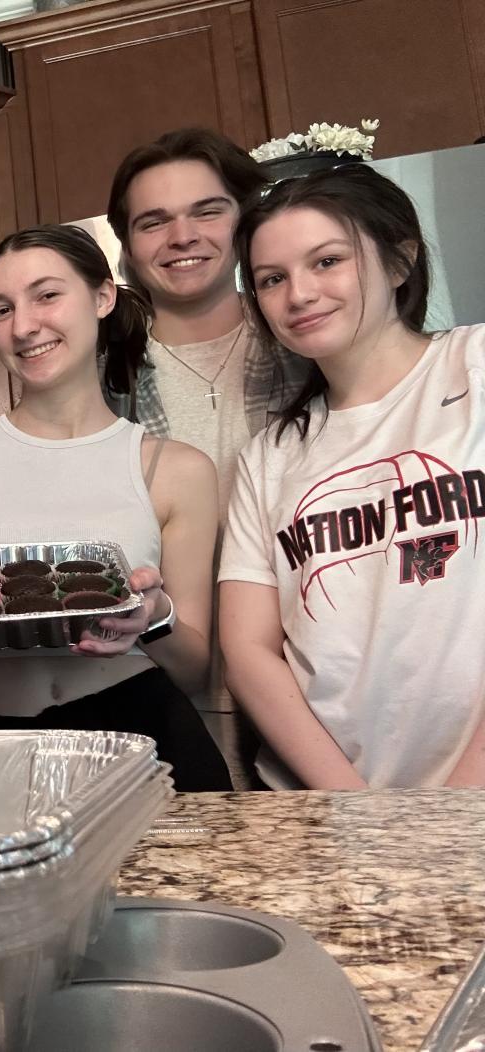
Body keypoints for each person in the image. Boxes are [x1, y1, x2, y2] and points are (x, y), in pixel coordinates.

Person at [0, 224, 232, 791]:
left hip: (142, 744)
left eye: (47, 295)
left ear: (102, 297)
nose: (23, 326)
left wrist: (154, 615)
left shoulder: (177, 470)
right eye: (2, 309)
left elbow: (194, 669)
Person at [220, 164, 485, 789]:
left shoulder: (476, 365)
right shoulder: (269, 456)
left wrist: (461, 801)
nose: (299, 294)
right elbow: (249, 651)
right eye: (272, 278)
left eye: (327, 261)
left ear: (399, 261)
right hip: (333, 809)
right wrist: (355, 808)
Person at [105, 128, 309, 783]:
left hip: (320, 695)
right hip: (164, 700)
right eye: (153, 221)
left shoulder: (310, 340)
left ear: (244, 219)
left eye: (207, 211)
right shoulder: (103, 377)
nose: (182, 236)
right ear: (127, 246)